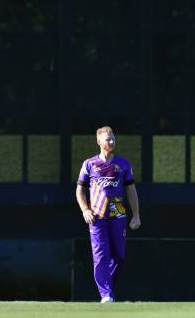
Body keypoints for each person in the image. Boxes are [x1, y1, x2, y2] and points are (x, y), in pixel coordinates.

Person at [76, 126, 141, 303]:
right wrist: (85, 210)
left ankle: (108, 287)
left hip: (118, 215)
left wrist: (136, 215)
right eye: (108, 139)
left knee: (119, 256)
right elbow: (80, 190)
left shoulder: (124, 164)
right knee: (100, 256)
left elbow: (131, 190)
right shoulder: (89, 164)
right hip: (96, 217)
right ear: (98, 141)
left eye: (113, 138)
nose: (111, 142)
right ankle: (106, 294)